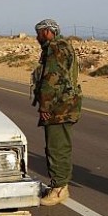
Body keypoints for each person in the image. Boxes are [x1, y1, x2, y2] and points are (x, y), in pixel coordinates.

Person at [32, 19, 82, 206]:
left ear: (46, 32)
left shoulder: (55, 48)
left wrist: (45, 105)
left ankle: (59, 188)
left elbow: (51, 78)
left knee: (56, 147)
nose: (37, 37)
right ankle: (60, 185)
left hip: (58, 106)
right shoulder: (64, 46)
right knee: (61, 146)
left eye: (38, 33)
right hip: (66, 105)